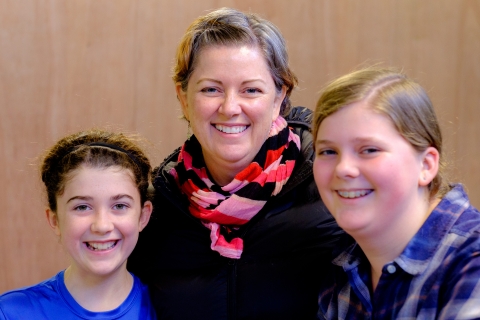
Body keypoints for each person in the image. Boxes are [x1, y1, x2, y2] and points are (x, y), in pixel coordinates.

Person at [127, 7, 343, 320]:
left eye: (251, 90)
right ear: (184, 98)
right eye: (211, 89)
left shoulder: (332, 185)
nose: (230, 108)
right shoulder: (155, 209)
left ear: (280, 96)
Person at [312, 66, 480, 319]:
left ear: (426, 165)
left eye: (369, 150)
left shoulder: (472, 260)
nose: (344, 168)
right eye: (328, 152)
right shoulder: (345, 264)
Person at [0, 129, 157, 319]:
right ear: (55, 220)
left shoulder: (169, 308)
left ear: (143, 216)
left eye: (119, 205)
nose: (102, 225)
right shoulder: (11, 313)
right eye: (82, 207)